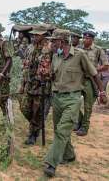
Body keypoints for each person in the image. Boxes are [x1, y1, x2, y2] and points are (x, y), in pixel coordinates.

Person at [43, 29, 107, 177]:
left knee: (62, 130)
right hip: (57, 98)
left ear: (63, 41)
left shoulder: (79, 55)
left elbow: (94, 74)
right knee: (59, 130)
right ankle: (69, 155)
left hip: (72, 99)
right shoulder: (55, 56)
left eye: (54, 41)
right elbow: (53, 76)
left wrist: (102, 92)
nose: (51, 43)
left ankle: (51, 163)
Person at [19, 26, 52, 145]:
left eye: (37, 35)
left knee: (37, 111)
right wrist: (22, 84)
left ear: (43, 35)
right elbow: (25, 66)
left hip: (43, 85)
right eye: (33, 35)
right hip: (29, 83)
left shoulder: (50, 48)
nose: (34, 36)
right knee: (24, 107)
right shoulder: (30, 47)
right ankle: (37, 125)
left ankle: (33, 134)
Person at [75, 31, 109, 136]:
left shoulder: (98, 50)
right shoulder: (78, 49)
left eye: (87, 38)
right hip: (78, 79)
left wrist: (94, 70)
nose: (85, 40)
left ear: (92, 39)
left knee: (88, 106)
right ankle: (79, 121)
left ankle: (84, 127)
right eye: (84, 38)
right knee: (74, 102)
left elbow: (106, 65)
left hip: (91, 81)